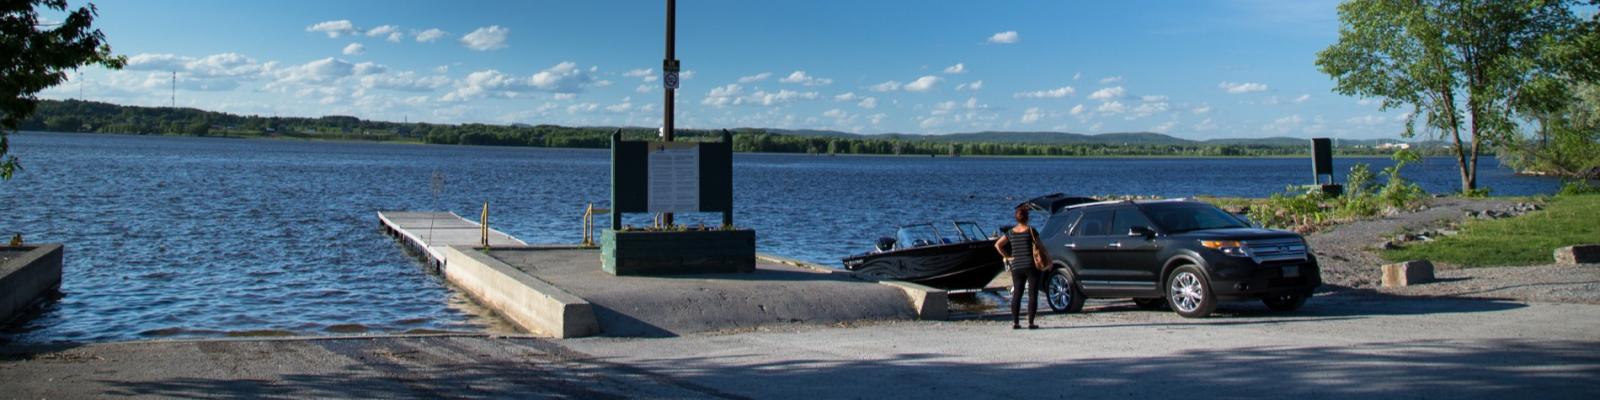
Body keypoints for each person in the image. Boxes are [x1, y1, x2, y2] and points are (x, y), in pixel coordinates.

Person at [994, 206, 1049, 330]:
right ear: (1027, 218)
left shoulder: (1011, 232)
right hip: (1030, 265)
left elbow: (997, 245)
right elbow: (1041, 246)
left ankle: (1016, 322)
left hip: (1017, 266)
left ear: (1016, 218)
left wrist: (1008, 257)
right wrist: (1048, 259)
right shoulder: (1031, 230)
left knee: (1017, 294)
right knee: (1032, 294)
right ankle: (1031, 322)